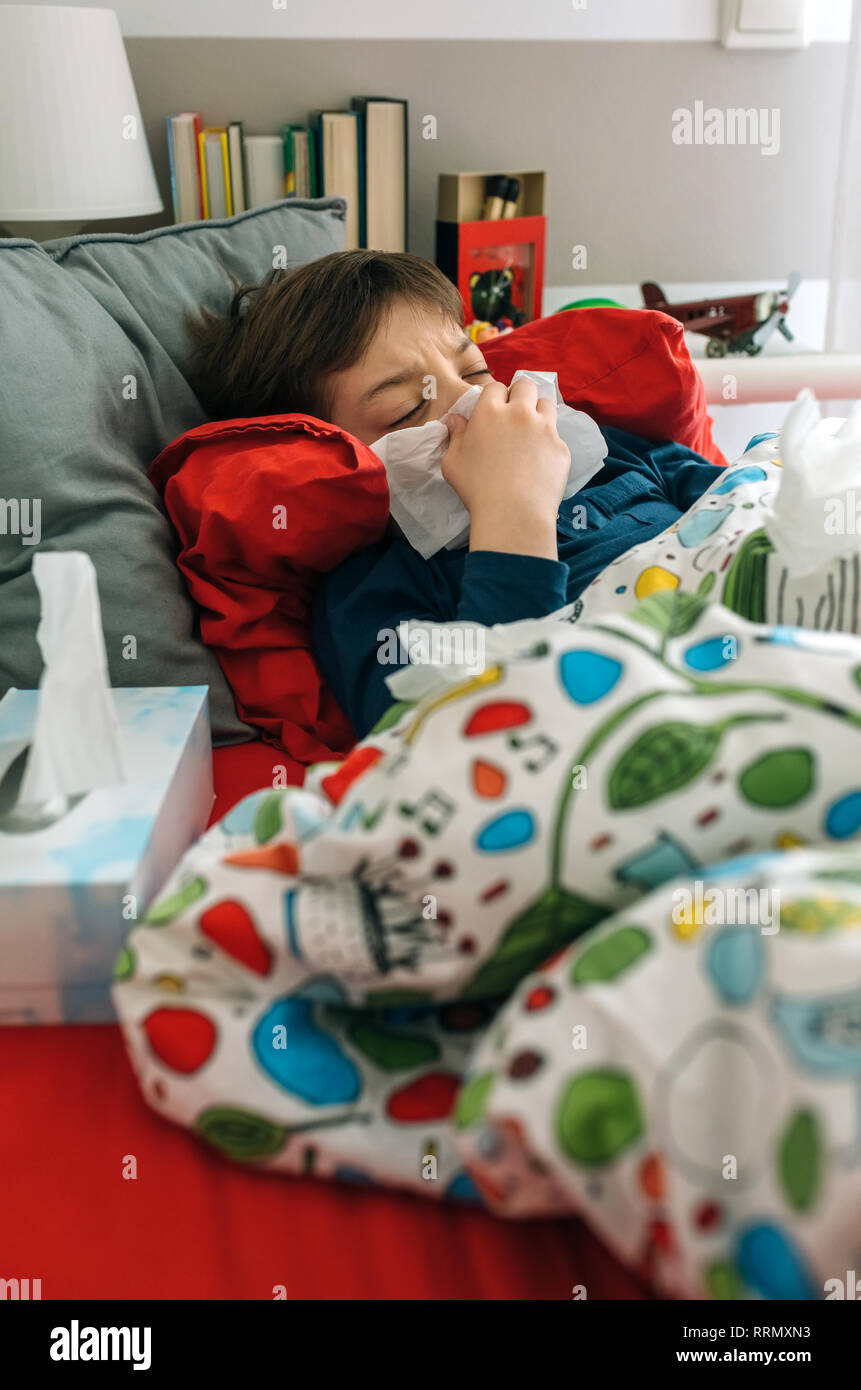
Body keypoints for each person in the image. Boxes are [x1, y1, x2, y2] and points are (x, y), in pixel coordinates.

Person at [190, 250, 723, 737]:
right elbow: (465, 742)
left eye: (475, 370)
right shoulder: (375, 589)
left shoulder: (604, 451)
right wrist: (512, 514)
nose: (476, 402)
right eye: (406, 410)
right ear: (335, 457)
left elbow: (745, 500)